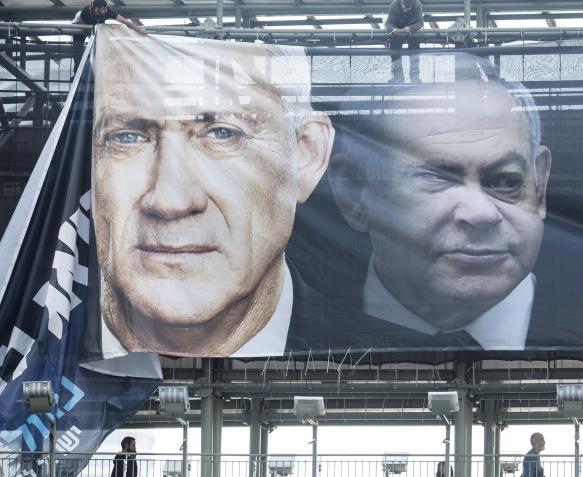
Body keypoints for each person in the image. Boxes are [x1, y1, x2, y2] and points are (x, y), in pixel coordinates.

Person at [91, 26, 334, 358]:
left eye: (222, 133)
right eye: (127, 137)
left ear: (306, 155)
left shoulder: (379, 351)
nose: (170, 201)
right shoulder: (21, 341)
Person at [328, 53, 551, 351]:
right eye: (439, 178)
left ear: (540, 184)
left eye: (507, 182)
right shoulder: (285, 323)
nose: (481, 213)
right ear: (354, 191)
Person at [71, 0, 146, 71]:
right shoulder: (87, 11)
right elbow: (80, 20)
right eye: (103, 9)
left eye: (106, 8)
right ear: (96, 9)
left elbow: (125, 21)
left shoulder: (107, 11)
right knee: (77, 55)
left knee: (100, 52)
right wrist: (90, 33)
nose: (105, 11)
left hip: (94, 28)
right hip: (81, 27)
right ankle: (76, 75)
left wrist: (139, 30)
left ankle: (97, 73)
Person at [385, 0, 423, 83]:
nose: (406, 10)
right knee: (395, 51)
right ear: (401, 2)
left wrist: (410, 28)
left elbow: (420, 23)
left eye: (408, 8)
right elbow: (388, 23)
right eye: (404, 7)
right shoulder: (394, 4)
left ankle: (414, 78)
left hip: (412, 32)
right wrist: (393, 29)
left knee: (415, 52)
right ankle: (398, 77)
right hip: (397, 31)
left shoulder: (417, 4)